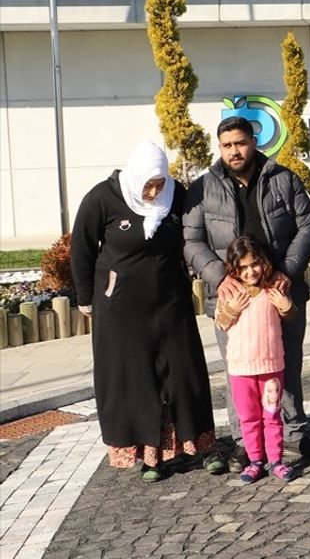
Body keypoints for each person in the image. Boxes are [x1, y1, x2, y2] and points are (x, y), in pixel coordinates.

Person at [70, 141, 222, 482]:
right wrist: (85, 297)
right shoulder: (102, 198)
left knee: (185, 374)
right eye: (148, 184)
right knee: (137, 380)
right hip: (121, 310)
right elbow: (81, 249)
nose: (155, 191)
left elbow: (194, 237)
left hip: (171, 304)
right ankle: (151, 456)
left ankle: (203, 446)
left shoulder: (176, 194)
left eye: (159, 183)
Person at [183, 116, 310, 470]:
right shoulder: (203, 189)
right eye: (227, 145)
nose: (234, 151)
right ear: (220, 147)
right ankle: (246, 443)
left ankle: (291, 437)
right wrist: (216, 275)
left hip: (279, 292)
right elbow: (192, 240)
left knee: (285, 365)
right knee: (238, 372)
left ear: (253, 141)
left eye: (240, 143)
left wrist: (287, 271)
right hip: (231, 300)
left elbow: (308, 225)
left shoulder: (283, 179)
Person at [215, 235, 298, 483]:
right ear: (234, 269)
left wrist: (285, 304)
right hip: (241, 368)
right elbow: (221, 322)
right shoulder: (230, 293)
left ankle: (276, 460)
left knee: (272, 415)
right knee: (249, 418)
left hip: (271, 365)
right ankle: (254, 461)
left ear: (263, 263)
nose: (251, 271)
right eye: (244, 267)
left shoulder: (272, 289)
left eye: (255, 264)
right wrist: (232, 309)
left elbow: (290, 315)